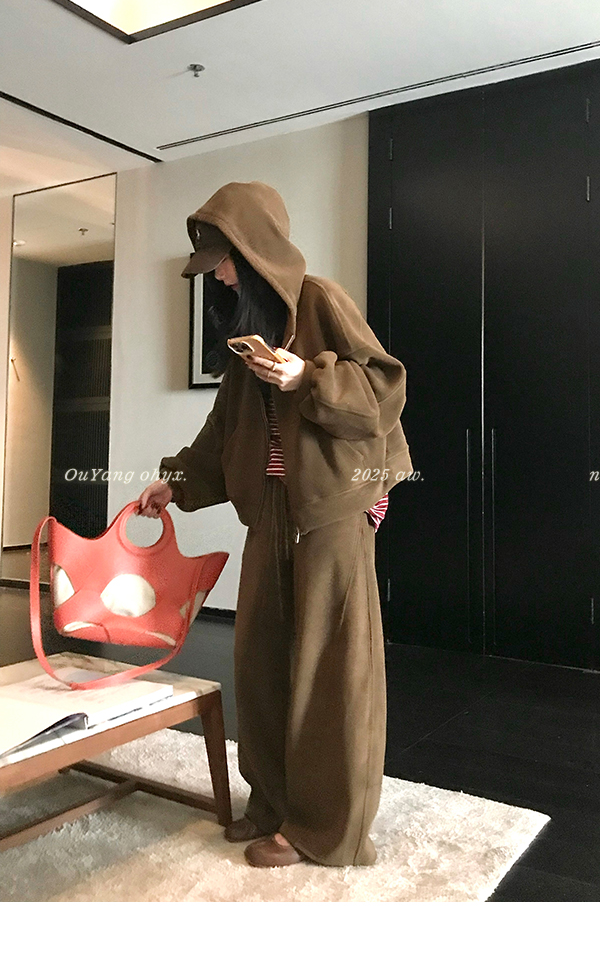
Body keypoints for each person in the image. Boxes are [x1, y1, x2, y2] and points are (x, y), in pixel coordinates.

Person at [138, 181, 412, 868]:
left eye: (225, 262)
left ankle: (325, 828)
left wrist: (307, 378)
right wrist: (176, 482)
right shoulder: (246, 329)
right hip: (270, 517)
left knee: (330, 674)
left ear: (256, 250)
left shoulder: (322, 300)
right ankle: (271, 805)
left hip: (332, 514)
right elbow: (225, 426)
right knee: (260, 664)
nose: (220, 276)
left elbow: (383, 390)